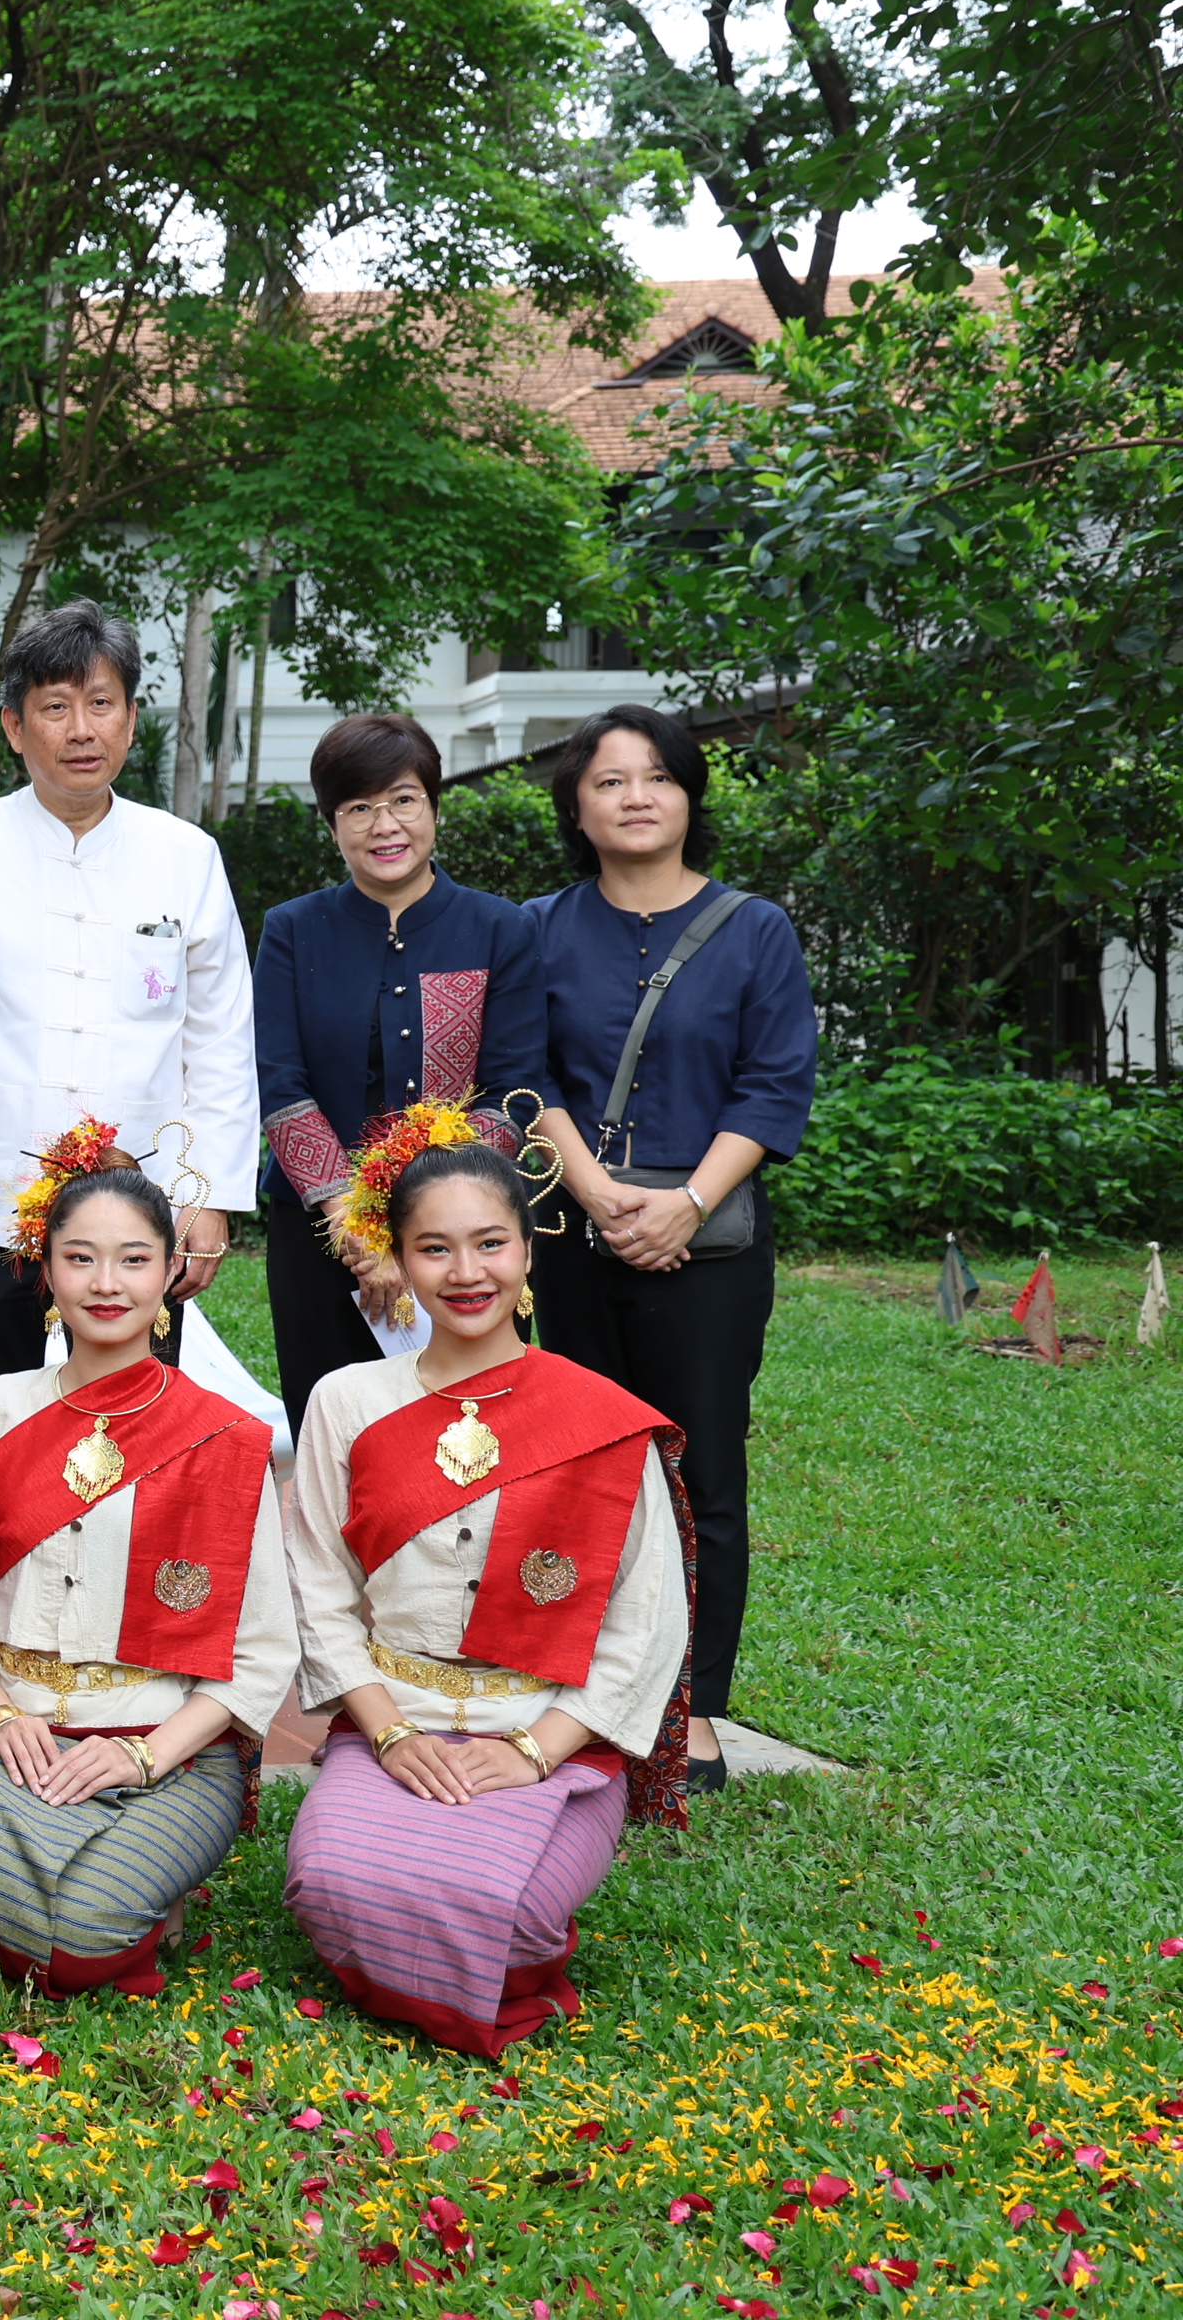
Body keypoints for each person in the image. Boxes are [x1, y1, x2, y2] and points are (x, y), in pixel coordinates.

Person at [280, 1133, 690, 2054]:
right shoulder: (347, 1401)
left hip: (549, 1725)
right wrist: (388, 1731)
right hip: (401, 1713)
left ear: (530, 1248)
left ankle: (475, 1944)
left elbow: (648, 1615)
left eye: (491, 1242)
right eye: (434, 1248)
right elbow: (318, 1586)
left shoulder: (600, 1415)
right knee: (327, 1886)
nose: (467, 1272)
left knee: (514, 1919)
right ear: (398, 1257)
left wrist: (536, 1752)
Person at [0, 1165, 294, 1998]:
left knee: (82, 1934)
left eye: (133, 1260)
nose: (106, 1284)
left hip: (168, 1740)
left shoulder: (224, 1434)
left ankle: (101, 1898)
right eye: (80, 1259)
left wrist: (143, 1755)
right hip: (23, 1735)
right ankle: (79, 1891)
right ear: (45, 1270)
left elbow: (262, 1650)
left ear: (171, 1269)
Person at [523, 705, 812, 1793]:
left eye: (657, 777)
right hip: (571, 1235)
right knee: (582, 1467)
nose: (636, 796)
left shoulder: (755, 930)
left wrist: (685, 1201)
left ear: (690, 795)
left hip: (714, 1244)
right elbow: (523, 1066)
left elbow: (775, 1083)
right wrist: (598, 1195)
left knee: (702, 1473)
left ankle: (691, 1709)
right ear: (578, 808)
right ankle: (584, 1690)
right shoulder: (539, 927)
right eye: (609, 781)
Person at [0, 602, 252, 1423]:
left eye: (101, 704)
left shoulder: (186, 857)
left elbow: (221, 1037)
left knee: (131, 1427)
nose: (81, 728)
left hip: (143, 1208)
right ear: (15, 726)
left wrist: (212, 1195)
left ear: (132, 721)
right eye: (55, 707)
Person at [252, 713, 546, 1431]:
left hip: (464, 1240)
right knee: (332, 1436)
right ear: (332, 825)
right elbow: (279, 1083)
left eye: (404, 799)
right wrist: (352, 1222)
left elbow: (512, 1091)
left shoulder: (499, 928)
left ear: (435, 808)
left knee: (469, 1436)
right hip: (322, 1237)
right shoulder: (292, 930)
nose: (384, 825)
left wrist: (423, 1224)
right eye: (358, 808)